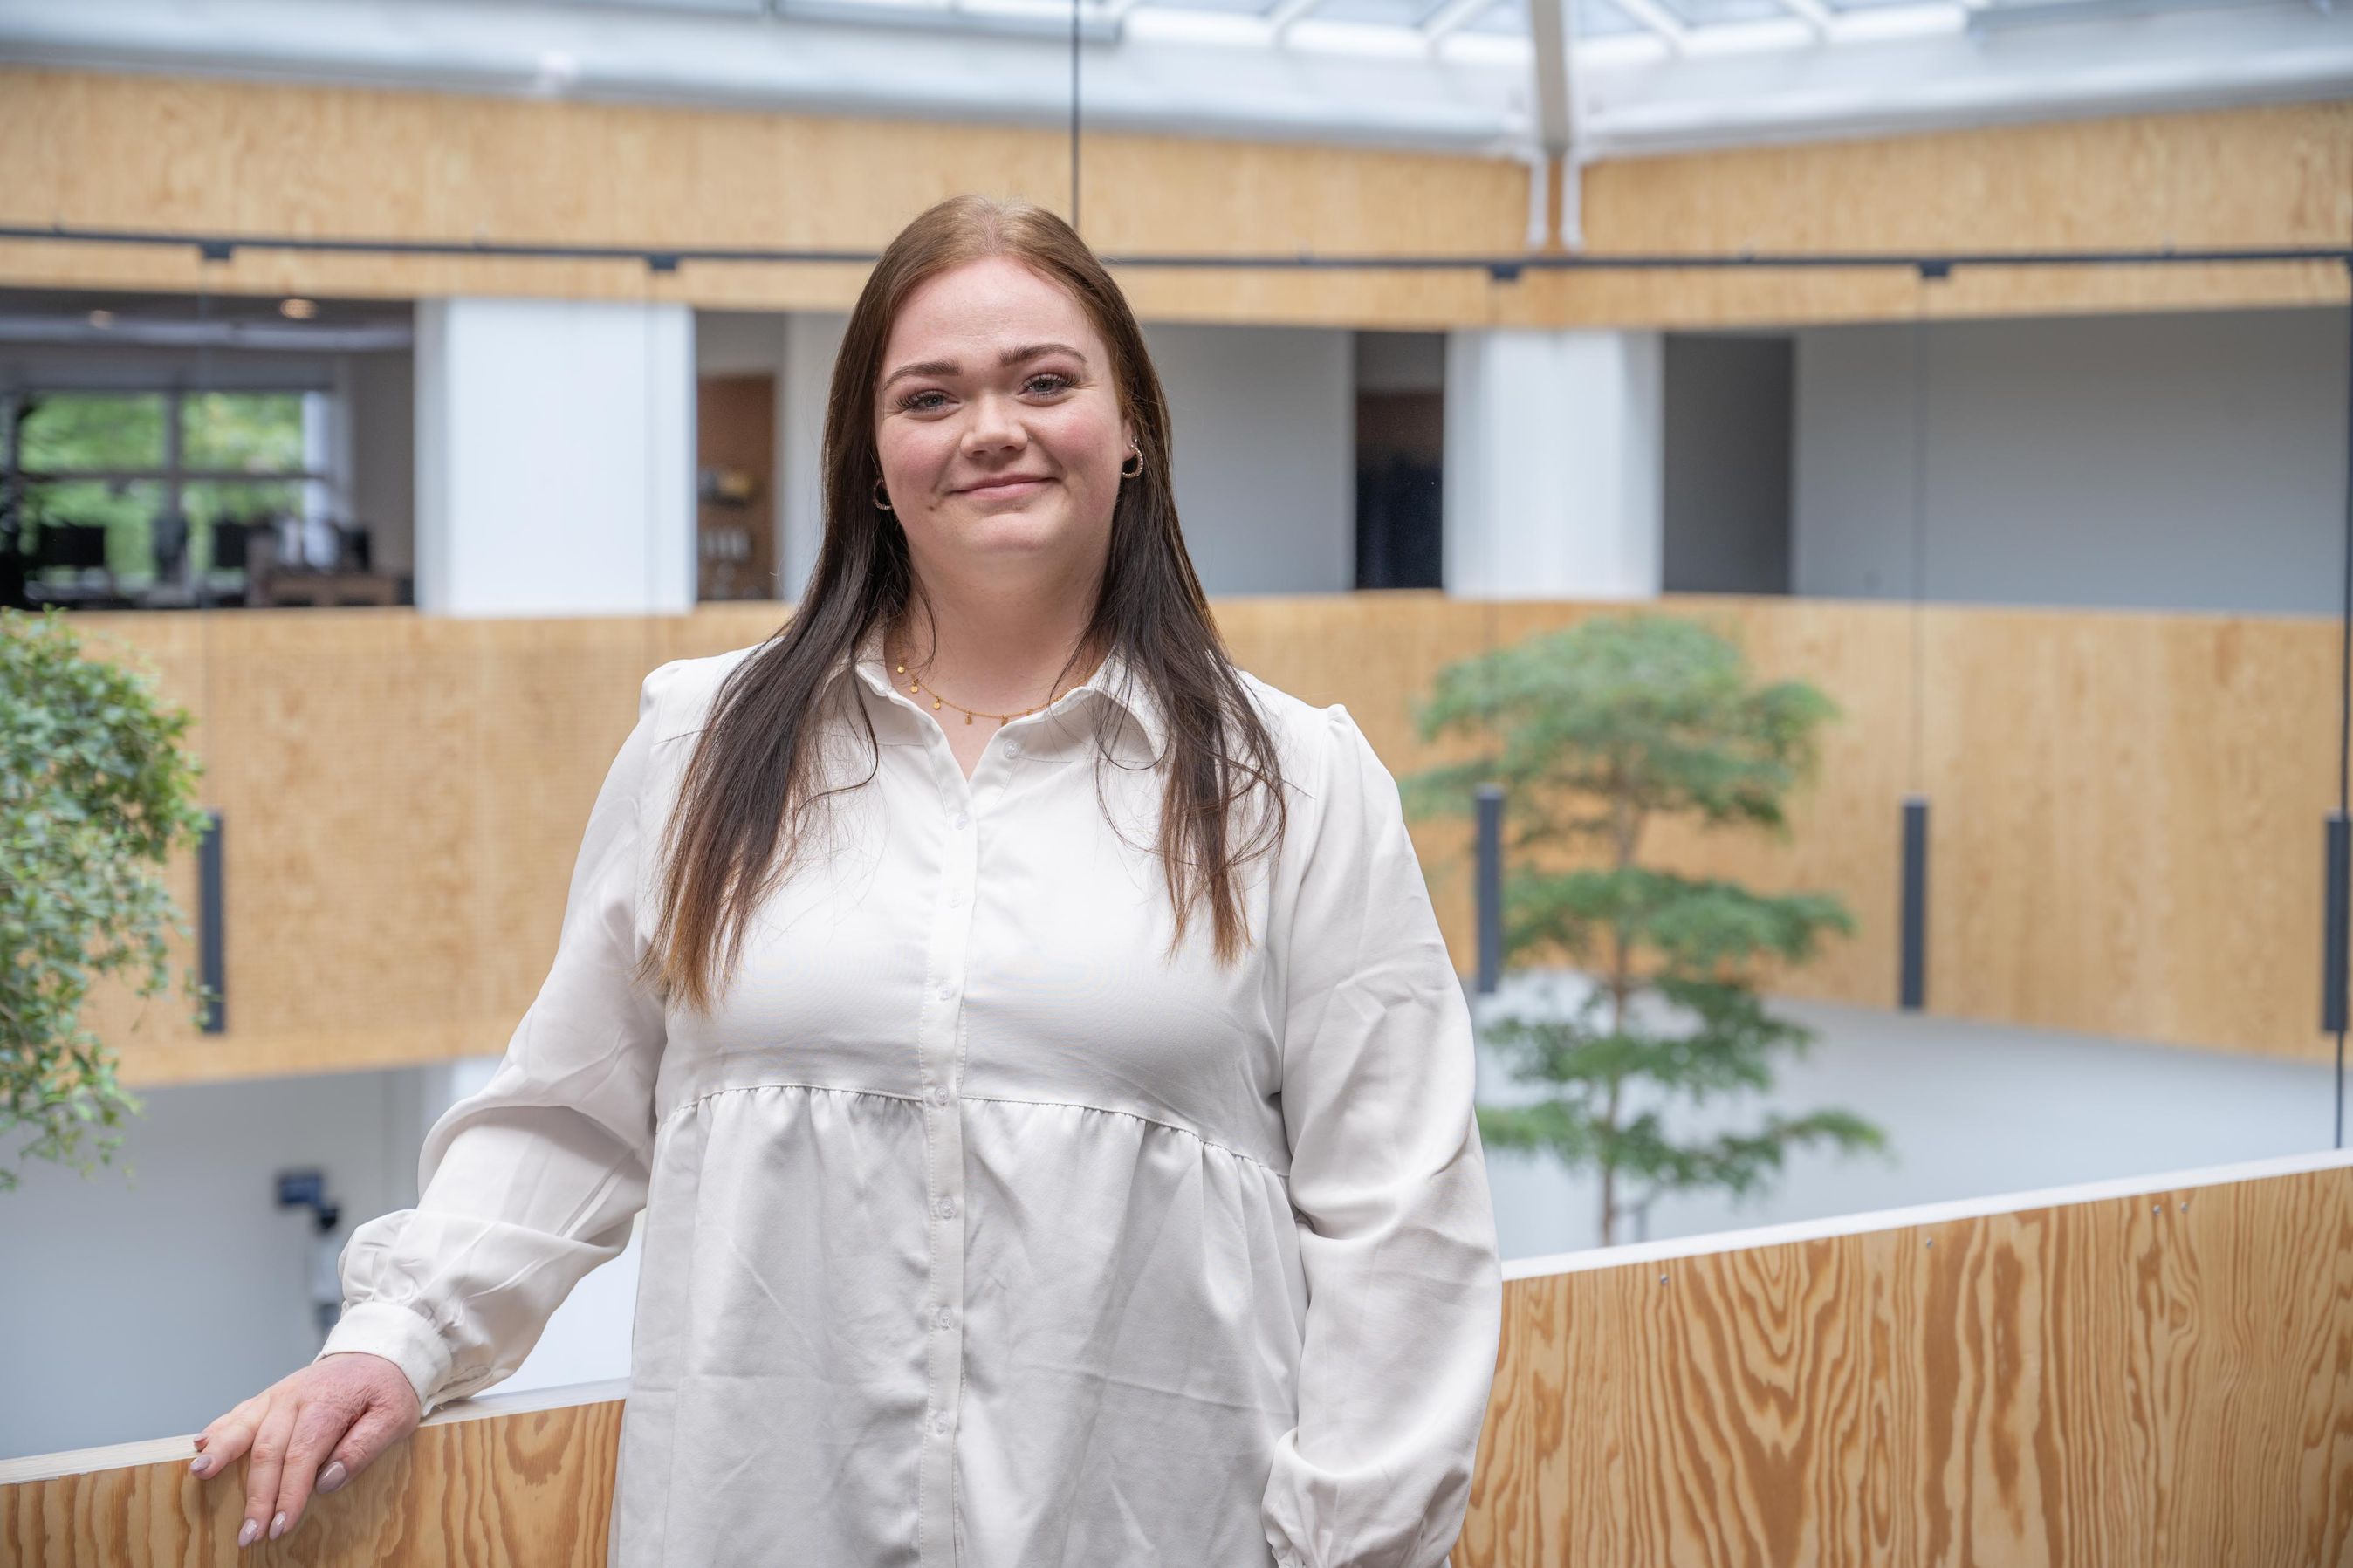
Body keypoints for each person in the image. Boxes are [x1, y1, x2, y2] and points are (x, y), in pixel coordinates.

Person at [189, 192, 1503, 1565]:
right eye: (930, 396)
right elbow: (572, 1113)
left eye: (1044, 382)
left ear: (1131, 429)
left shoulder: (1293, 780)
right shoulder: (703, 744)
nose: (990, 428)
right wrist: (398, 1334)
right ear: (874, 460)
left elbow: (1401, 1225)